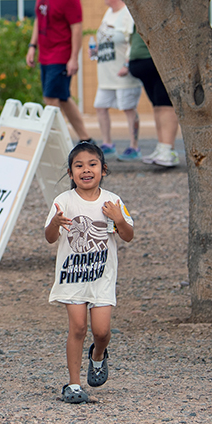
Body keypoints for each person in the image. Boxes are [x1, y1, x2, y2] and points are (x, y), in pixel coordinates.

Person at [44, 140, 134, 405]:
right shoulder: (63, 201)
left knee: (102, 331)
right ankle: (73, 384)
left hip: (102, 277)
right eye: (79, 166)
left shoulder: (113, 201)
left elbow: (128, 235)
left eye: (92, 164)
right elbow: (50, 238)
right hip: (72, 275)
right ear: (71, 174)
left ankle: (98, 356)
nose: (86, 170)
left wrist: (119, 219)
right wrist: (54, 222)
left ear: (103, 170)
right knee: (78, 327)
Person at [24, 0, 92, 142]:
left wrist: (73, 58)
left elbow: (76, 29)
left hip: (60, 55)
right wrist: (32, 46)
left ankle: (57, 142)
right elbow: (39, 18)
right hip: (44, 54)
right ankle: (85, 138)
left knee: (51, 99)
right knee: (63, 98)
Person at [129, 0, 181, 168]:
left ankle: (165, 149)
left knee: (163, 106)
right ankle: (164, 149)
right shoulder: (156, 0)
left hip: (147, 60)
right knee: (163, 106)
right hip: (150, 59)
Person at [92, 0, 143, 160]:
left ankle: (134, 146)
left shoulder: (128, 14)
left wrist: (127, 64)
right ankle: (107, 144)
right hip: (106, 72)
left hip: (123, 73)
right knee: (100, 106)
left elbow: (132, 40)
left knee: (128, 108)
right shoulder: (108, 13)